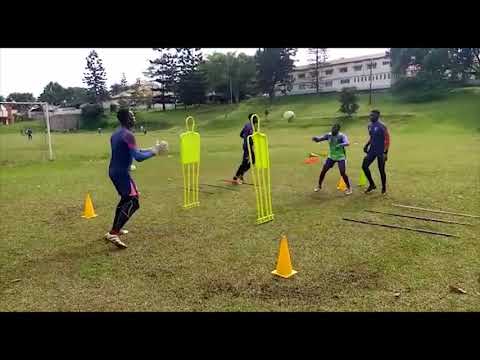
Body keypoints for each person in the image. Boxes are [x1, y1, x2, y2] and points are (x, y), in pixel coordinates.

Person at [104, 109, 163, 249]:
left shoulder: (117, 133)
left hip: (114, 171)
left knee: (126, 199)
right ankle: (114, 233)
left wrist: (152, 148)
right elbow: (138, 157)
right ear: (127, 119)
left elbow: (133, 150)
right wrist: (154, 153)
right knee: (134, 201)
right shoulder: (128, 135)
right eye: (132, 116)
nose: (134, 118)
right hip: (121, 173)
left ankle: (113, 230)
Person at [312, 123, 352, 195]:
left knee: (342, 172)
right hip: (331, 157)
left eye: (335, 129)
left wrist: (340, 144)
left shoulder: (341, 136)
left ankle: (349, 188)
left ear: (338, 130)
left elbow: (347, 143)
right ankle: (319, 185)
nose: (333, 130)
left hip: (341, 157)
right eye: (332, 128)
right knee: (324, 170)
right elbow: (320, 139)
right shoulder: (329, 135)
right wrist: (316, 139)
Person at [362, 109, 390, 194]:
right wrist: (367, 145)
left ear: (377, 116)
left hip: (380, 151)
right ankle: (372, 184)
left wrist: (385, 153)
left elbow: (387, 140)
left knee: (381, 169)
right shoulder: (369, 126)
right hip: (372, 150)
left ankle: (384, 187)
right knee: (364, 166)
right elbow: (372, 137)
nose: (370, 117)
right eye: (370, 115)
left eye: (372, 115)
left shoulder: (382, 126)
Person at [233, 113, 257, 185]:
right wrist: (248, 140)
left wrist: (246, 137)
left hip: (247, 146)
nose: (256, 119)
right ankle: (237, 176)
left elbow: (241, 134)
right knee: (245, 162)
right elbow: (247, 136)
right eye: (255, 118)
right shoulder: (250, 126)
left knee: (252, 161)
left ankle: (240, 175)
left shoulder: (248, 125)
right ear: (252, 118)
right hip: (247, 146)